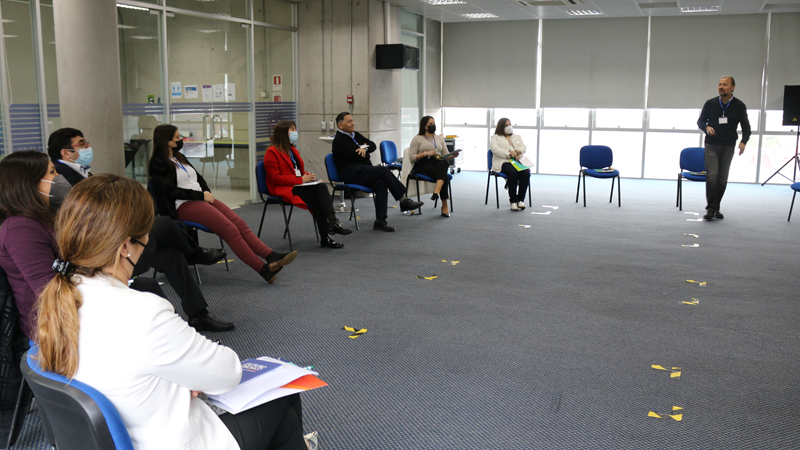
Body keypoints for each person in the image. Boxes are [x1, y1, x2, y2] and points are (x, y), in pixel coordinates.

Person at [34, 174, 309, 450]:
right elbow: (228, 373)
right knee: (283, 397)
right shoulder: (141, 311)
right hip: (167, 440)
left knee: (281, 420)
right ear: (125, 246)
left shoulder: (60, 297)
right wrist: (184, 381)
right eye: (146, 235)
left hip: (128, 430)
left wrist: (177, 381)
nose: (148, 242)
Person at [47, 128, 233, 332]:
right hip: (106, 252)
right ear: (65, 152)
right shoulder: (62, 178)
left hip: (118, 241)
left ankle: (199, 314)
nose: (87, 147)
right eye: (82, 144)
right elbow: (91, 215)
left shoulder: (81, 171)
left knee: (171, 255)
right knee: (164, 224)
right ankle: (195, 253)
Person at [149, 124, 296, 284]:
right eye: (177, 138)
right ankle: (262, 269)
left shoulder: (179, 157)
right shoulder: (158, 163)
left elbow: (198, 178)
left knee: (239, 223)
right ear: (166, 141)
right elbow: (171, 191)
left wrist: (207, 193)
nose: (181, 140)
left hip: (199, 199)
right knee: (230, 230)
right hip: (182, 205)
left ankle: (269, 255)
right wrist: (201, 196)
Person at [265, 120, 351, 249]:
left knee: (321, 186)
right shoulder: (271, 152)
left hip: (298, 185)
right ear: (283, 133)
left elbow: (298, 171)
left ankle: (332, 221)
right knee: (318, 201)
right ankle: (328, 232)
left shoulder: (292, 150)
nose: (295, 132)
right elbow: (275, 178)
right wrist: (301, 180)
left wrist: (308, 177)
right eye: (292, 130)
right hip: (285, 188)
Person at [331, 112, 423, 232]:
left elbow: (372, 145)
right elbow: (358, 156)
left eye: (353, 120)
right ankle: (403, 200)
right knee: (383, 170)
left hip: (362, 171)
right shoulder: (339, 140)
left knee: (381, 183)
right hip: (351, 173)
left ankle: (380, 221)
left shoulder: (355, 135)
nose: (353, 123)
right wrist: (363, 150)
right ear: (340, 125)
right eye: (349, 121)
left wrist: (364, 148)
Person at [697, 76, 751, 220]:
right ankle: (711, 209)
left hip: (728, 146)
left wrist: (743, 142)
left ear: (732, 87)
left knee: (722, 179)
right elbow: (700, 121)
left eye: (725, 85)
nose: (721, 87)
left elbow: (746, 127)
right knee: (712, 176)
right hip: (711, 145)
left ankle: (716, 207)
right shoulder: (710, 104)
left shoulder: (739, 106)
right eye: (720, 84)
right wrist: (706, 127)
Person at [408, 116, 452, 217]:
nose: (433, 126)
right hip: (423, 163)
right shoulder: (417, 139)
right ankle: (444, 204)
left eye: (434, 124)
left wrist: (452, 155)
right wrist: (425, 153)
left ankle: (436, 191)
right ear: (425, 127)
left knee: (444, 162)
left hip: (437, 161)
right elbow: (412, 158)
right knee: (443, 175)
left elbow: (446, 154)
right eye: (430, 124)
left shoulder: (439, 138)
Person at [489, 118, 531, 211]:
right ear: (501, 127)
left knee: (526, 172)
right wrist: (509, 154)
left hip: (516, 161)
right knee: (513, 173)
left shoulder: (517, 136)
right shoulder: (495, 137)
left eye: (510, 124)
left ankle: (520, 200)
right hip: (504, 161)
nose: (509, 127)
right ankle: (513, 201)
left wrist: (517, 151)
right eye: (506, 125)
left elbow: (523, 147)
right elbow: (494, 149)